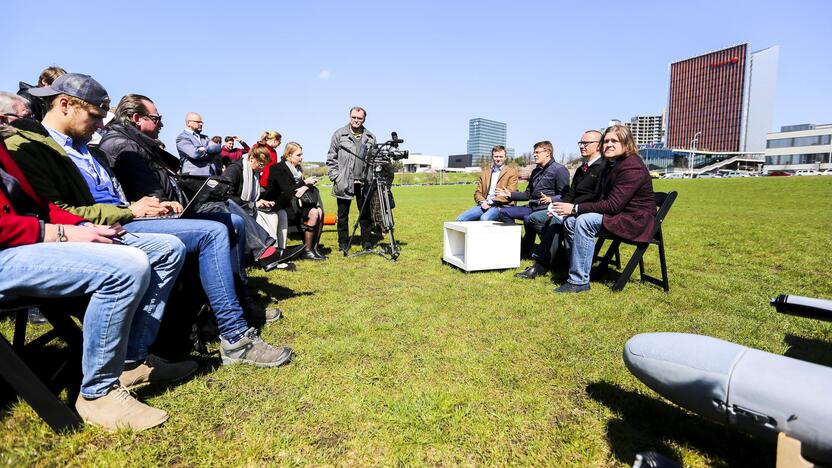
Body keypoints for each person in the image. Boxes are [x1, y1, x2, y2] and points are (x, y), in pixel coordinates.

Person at [6, 76, 292, 367]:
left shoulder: (90, 151)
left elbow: (112, 198)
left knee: (224, 223)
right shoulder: (40, 148)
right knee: (213, 232)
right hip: (104, 226)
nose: (101, 125)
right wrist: (131, 210)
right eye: (95, 116)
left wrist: (149, 206)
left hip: (123, 218)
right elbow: (62, 210)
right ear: (65, 104)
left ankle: (145, 353)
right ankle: (233, 336)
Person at [0, 137, 165, 431]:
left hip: (26, 241)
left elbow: (39, 205)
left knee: (165, 249)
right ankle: (98, 394)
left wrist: (82, 226)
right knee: (126, 267)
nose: (17, 123)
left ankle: (131, 361)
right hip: (10, 249)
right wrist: (60, 233)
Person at [97, 94, 288, 272]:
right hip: (159, 211)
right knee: (223, 220)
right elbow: (150, 193)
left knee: (226, 207)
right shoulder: (125, 145)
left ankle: (261, 257)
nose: (161, 124)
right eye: (156, 119)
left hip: (174, 199)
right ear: (137, 118)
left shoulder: (137, 143)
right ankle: (259, 260)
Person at [551, 125, 656, 293]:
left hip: (635, 221)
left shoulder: (632, 166)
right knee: (571, 221)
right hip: (620, 215)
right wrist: (573, 210)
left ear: (627, 143)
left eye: (614, 140)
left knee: (584, 220)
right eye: (606, 141)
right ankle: (577, 271)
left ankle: (579, 282)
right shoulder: (612, 164)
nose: (609, 144)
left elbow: (613, 205)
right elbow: (603, 199)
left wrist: (576, 208)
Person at [516, 130, 608, 279]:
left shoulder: (604, 168)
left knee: (556, 220)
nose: (582, 146)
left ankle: (543, 263)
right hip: (571, 208)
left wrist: (570, 208)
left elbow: (597, 196)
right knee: (541, 218)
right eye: (581, 143)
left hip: (588, 211)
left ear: (598, 146)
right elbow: (570, 194)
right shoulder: (581, 169)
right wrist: (557, 207)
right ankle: (556, 258)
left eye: (586, 143)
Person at [224, 145, 299, 268]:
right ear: (251, 158)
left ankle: (281, 250)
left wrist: (260, 200)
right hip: (235, 208)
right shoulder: (235, 169)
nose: (262, 168)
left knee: (282, 213)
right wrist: (252, 204)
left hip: (248, 206)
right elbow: (226, 196)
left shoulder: (254, 172)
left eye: (264, 165)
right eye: (260, 164)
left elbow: (253, 194)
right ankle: (269, 255)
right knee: (270, 216)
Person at [497, 140, 570, 254]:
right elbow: (527, 194)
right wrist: (510, 195)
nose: (534, 155)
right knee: (503, 212)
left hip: (547, 208)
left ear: (547, 153)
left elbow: (566, 195)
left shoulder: (559, 169)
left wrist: (551, 199)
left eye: (537, 152)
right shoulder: (535, 171)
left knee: (528, 219)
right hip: (532, 206)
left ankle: (548, 248)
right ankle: (519, 244)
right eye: (534, 152)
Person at [264, 142, 326, 260]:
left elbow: (298, 191)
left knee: (319, 211)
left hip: (295, 204)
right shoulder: (278, 168)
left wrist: (307, 185)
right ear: (288, 155)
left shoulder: (297, 170)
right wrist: (304, 183)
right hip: (281, 206)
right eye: (298, 155)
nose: (301, 157)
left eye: (301, 154)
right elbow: (286, 191)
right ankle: (307, 250)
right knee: (313, 212)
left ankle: (313, 248)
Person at [326, 106, 376, 251]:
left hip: (364, 182)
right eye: (354, 117)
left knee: (365, 214)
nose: (356, 120)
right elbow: (331, 157)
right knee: (342, 215)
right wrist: (336, 177)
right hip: (344, 182)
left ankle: (366, 242)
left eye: (359, 118)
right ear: (350, 117)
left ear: (364, 119)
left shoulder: (371, 137)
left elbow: (373, 159)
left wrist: (371, 177)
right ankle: (343, 243)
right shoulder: (339, 134)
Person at [455, 145, 518, 221]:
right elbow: (478, 193)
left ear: (505, 158)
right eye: (496, 156)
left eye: (501, 157)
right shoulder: (485, 173)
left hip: (500, 205)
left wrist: (490, 202)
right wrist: (482, 202)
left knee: (484, 218)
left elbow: (510, 193)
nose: (498, 159)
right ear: (492, 157)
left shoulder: (511, 172)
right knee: (460, 219)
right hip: (484, 204)